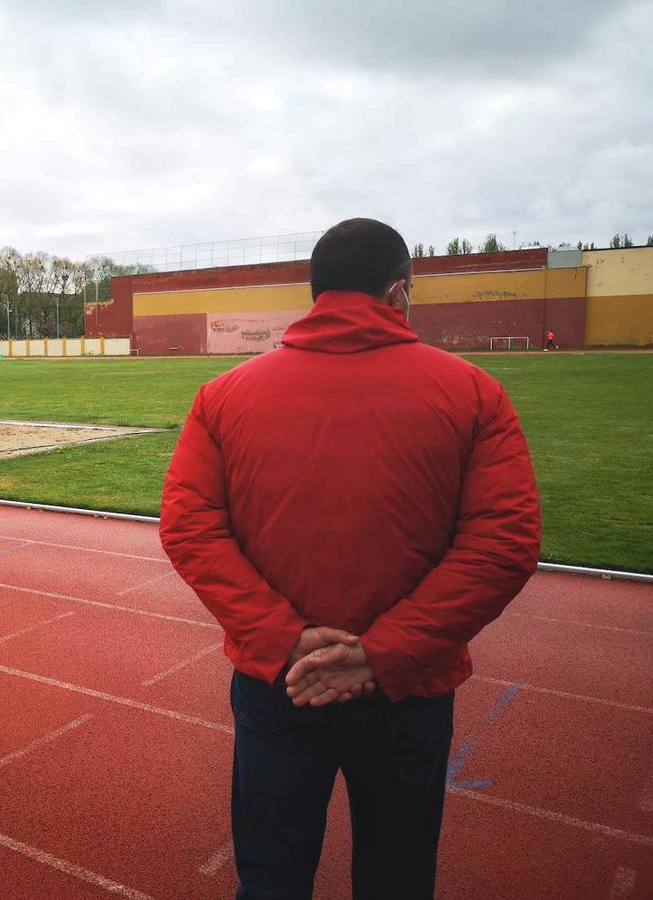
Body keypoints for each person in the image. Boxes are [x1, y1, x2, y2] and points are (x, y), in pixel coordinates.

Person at [160, 218, 541, 900]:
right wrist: (382, 654)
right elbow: (502, 542)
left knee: (271, 880)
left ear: (316, 293)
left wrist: (285, 640)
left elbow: (190, 529)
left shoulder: (221, 395)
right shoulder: (473, 393)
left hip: (280, 680)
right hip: (409, 687)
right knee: (395, 878)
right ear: (399, 292)